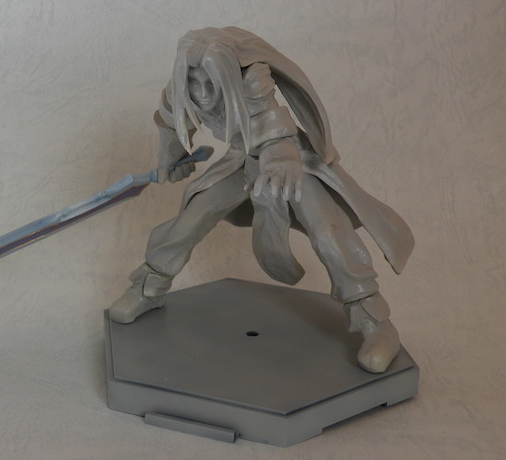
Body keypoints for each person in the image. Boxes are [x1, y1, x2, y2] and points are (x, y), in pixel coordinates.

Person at [109, 27, 414, 373]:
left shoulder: (251, 77)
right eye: (195, 83)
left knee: (328, 231)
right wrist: (172, 155)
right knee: (192, 218)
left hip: (292, 162)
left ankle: (374, 322)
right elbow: (171, 118)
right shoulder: (184, 81)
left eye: (211, 83)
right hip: (241, 160)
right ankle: (148, 287)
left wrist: (279, 156)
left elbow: (273, 124)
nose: (203, 93)